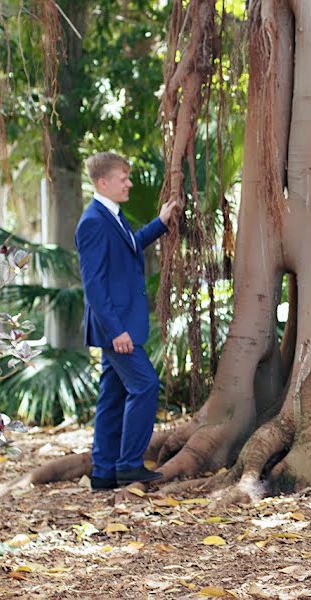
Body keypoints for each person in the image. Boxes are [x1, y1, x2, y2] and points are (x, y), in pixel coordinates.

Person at [76, 152, 178, 491]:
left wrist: (160, 224)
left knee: (111, 398)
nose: (129, 183)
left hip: (122, 324)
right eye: (123, 178)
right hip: (115, 328)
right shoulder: (92, 221)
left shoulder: (111, 216)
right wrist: (115, 329)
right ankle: (129, 464)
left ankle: (103, 472)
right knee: (145, 384)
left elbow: (131, 246)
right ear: (103, 182)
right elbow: (94, 284)